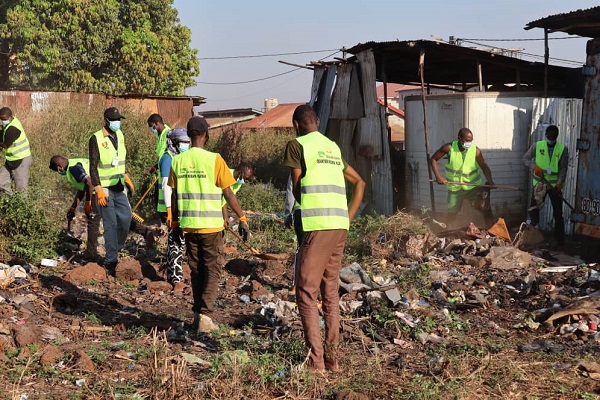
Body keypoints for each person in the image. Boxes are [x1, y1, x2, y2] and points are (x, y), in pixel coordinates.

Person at [283, 104, 365, 372]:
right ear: (317, 121)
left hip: (316, 225)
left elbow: (296, 188)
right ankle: (333, 360)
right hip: (339, 225)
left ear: (297, 124)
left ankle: (316, 363)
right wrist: (348, 216)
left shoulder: (297, 145)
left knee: (305, 290)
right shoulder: (331, 147)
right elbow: (360, 183)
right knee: (329, 292)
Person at [168, 116, 249, 333]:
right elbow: (228, 193)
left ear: (189, 135)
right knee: (213, 270)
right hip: (211, 226)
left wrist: (175, 225)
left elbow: (174, 196)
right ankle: (205, 315)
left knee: (196, 271)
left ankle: (198, 313)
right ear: (206, 135)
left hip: (189, 226)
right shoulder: (215, 159)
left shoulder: (177, 161)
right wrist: (241, 218)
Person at [89, 107, 134, 271]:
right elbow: (93, 167)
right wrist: (98, 189)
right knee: (110, 223)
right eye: (114, 120)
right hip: (105, 188)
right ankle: (111, 260)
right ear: (106, 121)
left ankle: (117, 246)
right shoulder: (96, 138)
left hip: (119, 184)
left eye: (119, 120)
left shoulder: (120, 135)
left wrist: (126, 175)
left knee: (126, 218)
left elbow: (120, 158)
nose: (117, 123)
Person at [430, 127, 495, 226]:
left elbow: (484, 167)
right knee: (452, 213)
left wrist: (490, 181)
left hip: (472, 187)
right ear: (459, 139)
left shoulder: (475, 150)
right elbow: (433, 159)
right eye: (467, 140)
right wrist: (438, 176)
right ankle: (447, 232)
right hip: (455, 188)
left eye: (471, 141)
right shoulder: (449, 148)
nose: (469, 143)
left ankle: (493, 230)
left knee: (484, 208)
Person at [523, 124, 567, 246]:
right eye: (550, 136)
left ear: (557, 136)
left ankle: (560, 241)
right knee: (534, 210)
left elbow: (563, 168)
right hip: (539, 184)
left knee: (558, 214)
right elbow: (525, 159)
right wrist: (534, 167)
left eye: (554, 137)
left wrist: (559, 183)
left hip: (554, 186)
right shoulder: (537, 146)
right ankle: (531, 237)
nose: (551, 139)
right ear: (546, 135)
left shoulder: (562, 149)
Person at [157, 127, 190, 291]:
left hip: (179, 207)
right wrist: (170, 211)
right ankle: (177, 278)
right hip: (171, 208)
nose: (186, 145)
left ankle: (173, 275)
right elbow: (166, 186)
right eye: (184, 142)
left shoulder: (178, 157)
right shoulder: (168, 158)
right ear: (175, 143)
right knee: (176, 242)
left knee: (174, 243)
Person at [49, 155, 100, 260]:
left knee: (92, 221)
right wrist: (73, 208)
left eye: (57, 170)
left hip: (99, 191)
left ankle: (91, 254)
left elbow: (89, 183)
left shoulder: (74, 168)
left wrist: (88, 202)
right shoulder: (73, 163)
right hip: (101, 188)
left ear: (59, 167)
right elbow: (82, 188)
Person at [0, 107, 33, 194]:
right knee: (1, 181)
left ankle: (22, 206)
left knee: (21, 189)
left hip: (21, 160)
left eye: (4, 119)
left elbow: (5, 145)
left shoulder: (13, 128)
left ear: (10, 117)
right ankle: (10, 200)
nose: (2, 121)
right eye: (1, 119)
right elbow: (3, 133)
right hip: (11, 160)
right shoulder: (10, 123)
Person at [221, 162, 255, 241]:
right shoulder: (225, 174)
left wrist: (225, 218)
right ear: (241, 173)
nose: (246, 181)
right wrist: (242, 218)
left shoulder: (237, 182)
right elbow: (227, 195)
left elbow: (224, 200)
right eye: (246, 178)